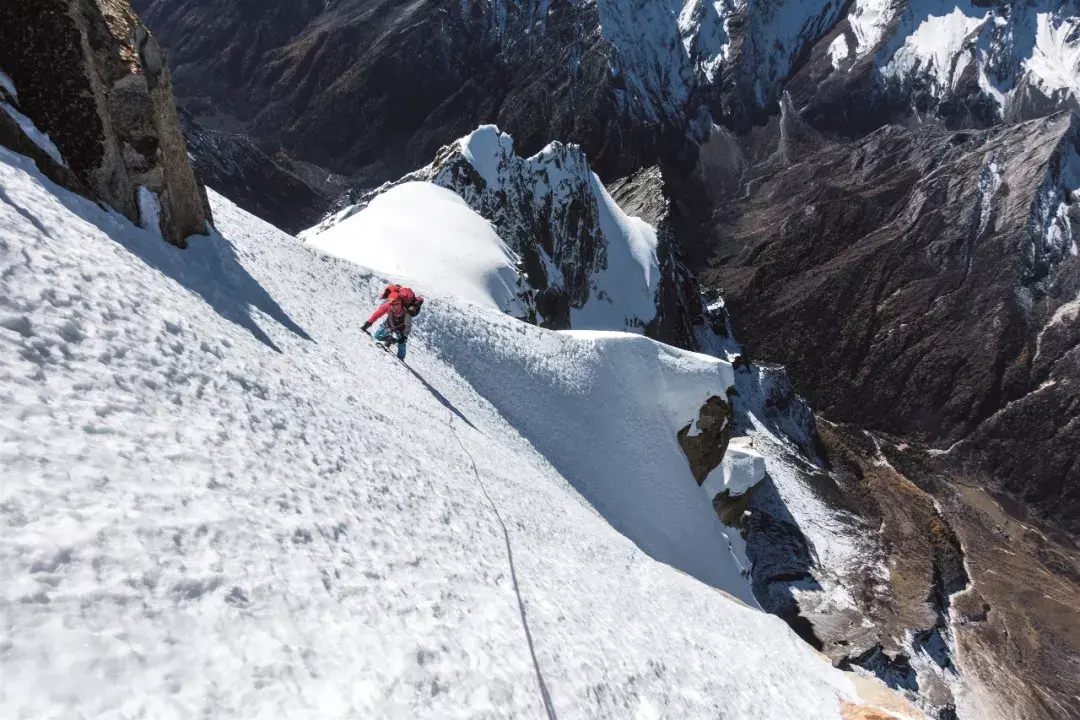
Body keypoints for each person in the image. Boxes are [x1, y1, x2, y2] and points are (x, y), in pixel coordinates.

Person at [361, 285, 424, 360]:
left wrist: (404, 336)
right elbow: (377, 314)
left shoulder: (406, 312)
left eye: (396, 304)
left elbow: (408, 325)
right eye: (392, 304)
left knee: (402, 344)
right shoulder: (388, 306)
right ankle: (389, 339)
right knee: (376, 337)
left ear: (400, 302)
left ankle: (401, 358)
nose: (393, 306)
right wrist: (368, 323)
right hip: (388, 325)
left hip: (401, 329)